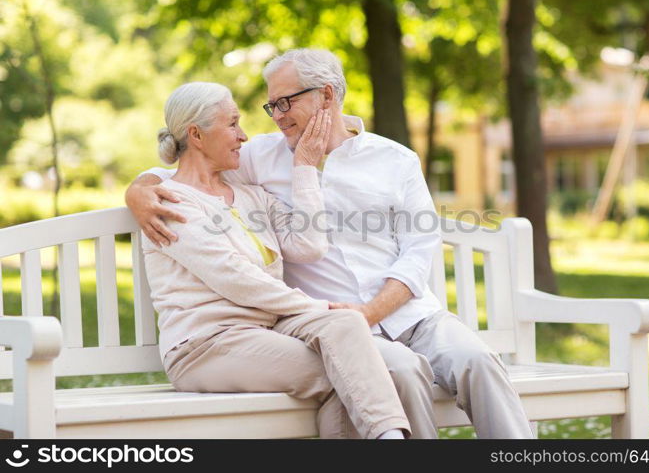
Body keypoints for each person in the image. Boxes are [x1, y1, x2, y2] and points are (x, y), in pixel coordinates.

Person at [127, 50, 534, 439]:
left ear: (327, 95)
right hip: (329, 325)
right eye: (272, 106)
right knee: (403, 372)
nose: (277, 117)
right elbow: (187, 162)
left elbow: (418, 251)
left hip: (411, 315)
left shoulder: (395, 159)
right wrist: (139, 190)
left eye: (285, 102)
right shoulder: (259, 157)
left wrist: (371, 312)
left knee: (479, 361)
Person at [140, 81, 410, 440]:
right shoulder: (170, 203)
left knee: (346, 329)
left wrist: (304, 167)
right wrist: (319, 307)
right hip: (205, 345)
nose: (244, 136)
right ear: (196, 135)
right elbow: (235, 278)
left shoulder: (253, 197)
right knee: (346, 372)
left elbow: (310, 246)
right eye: (233, 124)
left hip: (265, 333)